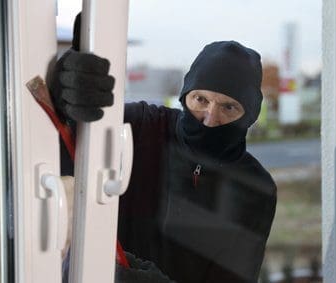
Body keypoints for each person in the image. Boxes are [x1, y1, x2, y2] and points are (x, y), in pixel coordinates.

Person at [52, 14, 276, 283]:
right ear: (185, 96)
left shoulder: (256, 190)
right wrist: (65, 91)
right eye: (200, 99)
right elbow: (57, 145)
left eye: (229, 107)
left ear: (249, 116)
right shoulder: (139, 126)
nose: (209, 118)